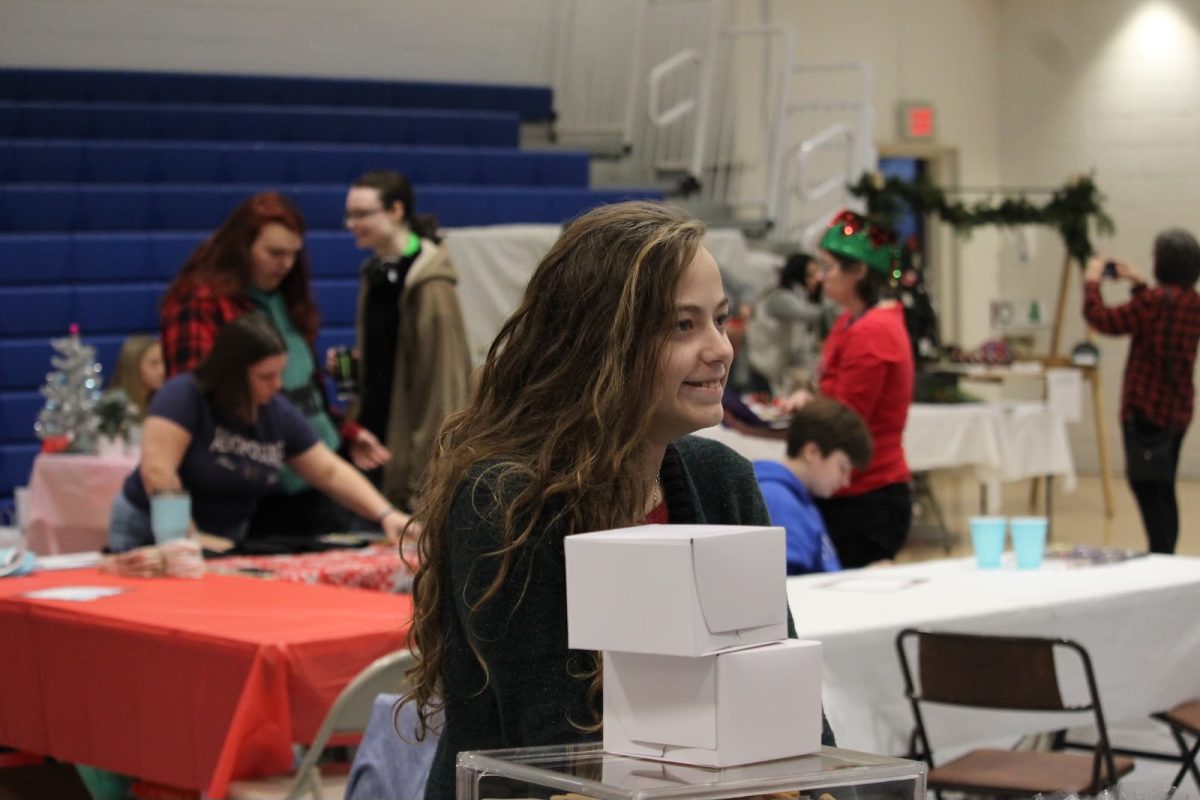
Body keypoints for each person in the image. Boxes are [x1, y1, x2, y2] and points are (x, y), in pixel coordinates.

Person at [401, 200, 835, 800]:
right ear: (601, 342)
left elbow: (786, 711)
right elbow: (552, 748)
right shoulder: (505, 499)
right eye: (683, 325)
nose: (720, 348)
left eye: (720, 319)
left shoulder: (722, 480)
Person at [160, 191, 389, 539]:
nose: (285, 264)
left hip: (314, 478)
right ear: (242, 247)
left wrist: (344, 430)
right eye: (275, 253)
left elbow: (300, 391)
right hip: (257, 490)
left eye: (294, 254)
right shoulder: (200, 299)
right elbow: (197, 399)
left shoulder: (284, 296)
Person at [107, 315, 412, 554]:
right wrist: (185, 537)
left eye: (279, 374)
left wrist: (385, 513)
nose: (277, 385)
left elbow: (328, 471)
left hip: (222, 536)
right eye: (266, 377)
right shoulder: (183, 396)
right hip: (151, 526)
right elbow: (158, 471)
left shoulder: (276, 412)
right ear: (233, 374)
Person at [784, 210, 914, 568]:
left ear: (858, 271)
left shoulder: (872, 331)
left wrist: (805, 412)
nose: (822, 278)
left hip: (868, 496)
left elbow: (846, 422)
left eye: (829, 268)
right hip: (853, 488)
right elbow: (834, 395)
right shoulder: (850, 321)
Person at [341, 170, 472, 511]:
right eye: (349, 215)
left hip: (411, 469)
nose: (351, 224)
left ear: (396, 211)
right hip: (376, 445)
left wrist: (426, 483)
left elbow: (442, 391)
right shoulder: (375, 272)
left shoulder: (431, 285)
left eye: (362, 214)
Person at [1083, 229, 1200, 554]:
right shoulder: (1192, 303)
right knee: (1164, 487)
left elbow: (1102, 319)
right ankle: (1167, 557)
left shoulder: (1152, 302)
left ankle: (1162, 557)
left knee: (1146, 486)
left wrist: (1092, 281)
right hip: (1178, 411)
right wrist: (1137, 282)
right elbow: (1161, 314)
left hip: (1146, 410)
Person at [753, 396, 872, 575]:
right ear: (812, 452)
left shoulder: (798, 497)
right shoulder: (779, 501)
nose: (846, 481)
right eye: (843, 467)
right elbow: (791, 589)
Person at [746, 252, 839, 395]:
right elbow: (810, 313)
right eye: (810, 275)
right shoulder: (780, 297)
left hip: (777, 368)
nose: (817, 279)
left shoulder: (801, 297)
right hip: (761, 369)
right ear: (798, 274)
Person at [107, 334, 165, 417]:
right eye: (154, 363)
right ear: (134, 366)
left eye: (164, 362)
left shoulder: (160, 401)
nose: (162, 370)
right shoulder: (115, 406)